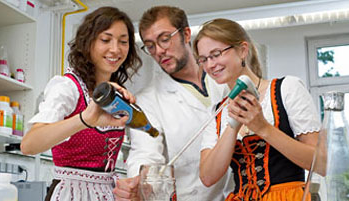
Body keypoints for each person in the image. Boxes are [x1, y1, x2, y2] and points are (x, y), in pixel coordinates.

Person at [20, 6, 142, 201]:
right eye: (105, 39)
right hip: (71, 194)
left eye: (123, 42)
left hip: (107, 193)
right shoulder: (68, 87)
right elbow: (29, 145)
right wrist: (85, 119)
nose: (115, 49)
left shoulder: (116, 93)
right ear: (88, 43)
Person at [193, 18, 321, 201]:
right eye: (203, 59)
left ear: (243, 50)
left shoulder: (287, 89)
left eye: (217, 54)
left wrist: (263, 128)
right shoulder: (217, 112)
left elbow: (320, 162)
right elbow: (207, 177)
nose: (210, 65)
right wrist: (232, 125)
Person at [113, 6, 233, 201]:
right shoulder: (148, 101)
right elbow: (145, 154)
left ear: (186, 34)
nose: (159, 51)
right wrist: (140, 183)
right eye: (150, 45)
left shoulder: (225, 78)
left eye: (165, 39)